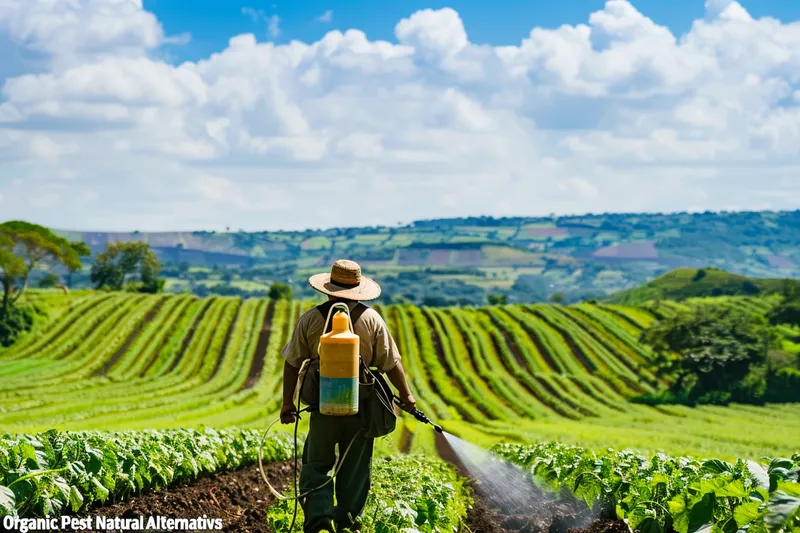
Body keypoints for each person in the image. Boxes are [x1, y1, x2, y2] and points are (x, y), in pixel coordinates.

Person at [280, 259, 416, 533]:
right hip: (360, 409)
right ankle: (347, 523)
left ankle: (318, 522)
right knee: (354, 469)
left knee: (316, 464)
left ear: (328, 290)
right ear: (358, 289)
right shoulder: (371, 319)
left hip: (322, 407)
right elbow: (391, 363)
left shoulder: (311, 319)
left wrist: (287, 404)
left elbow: (292, 363)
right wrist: (407, 396)